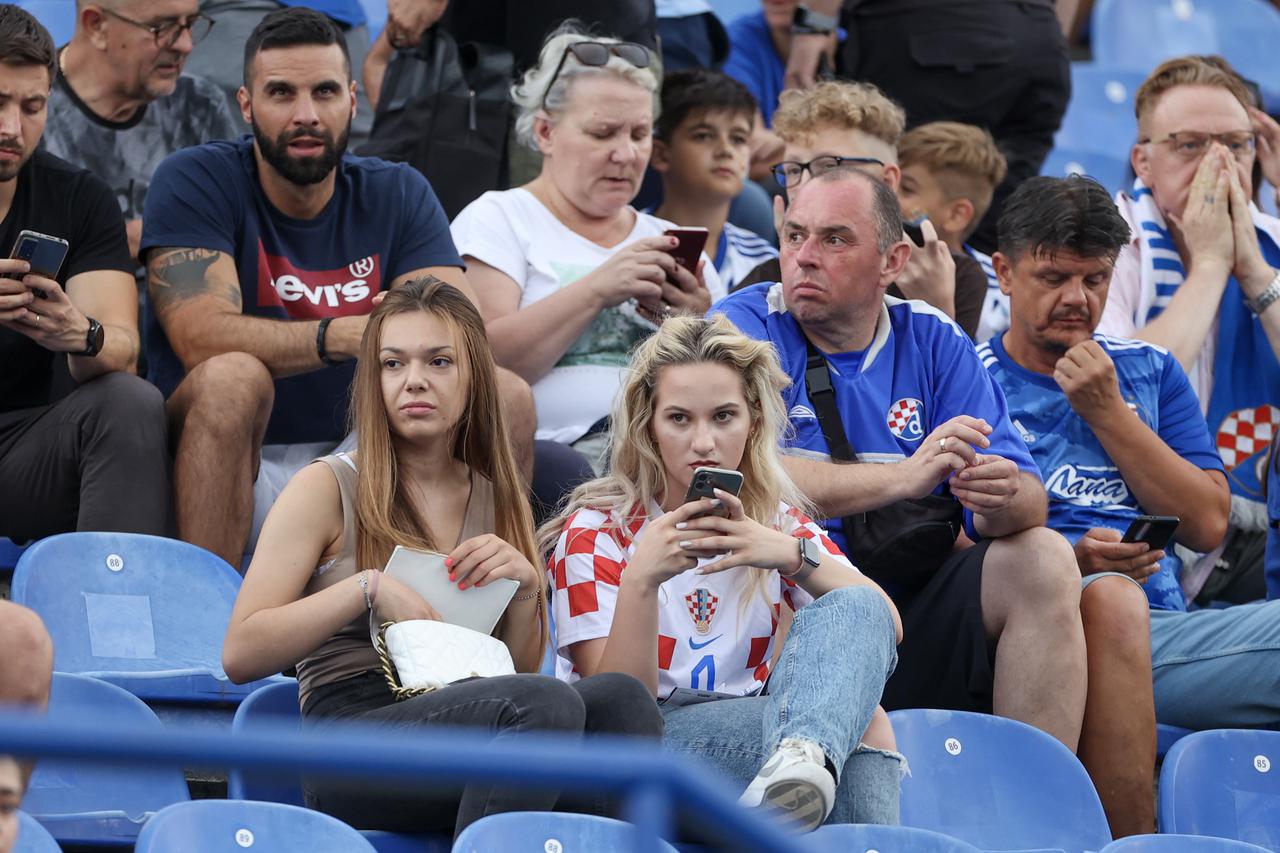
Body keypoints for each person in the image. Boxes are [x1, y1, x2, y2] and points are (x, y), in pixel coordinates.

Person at [222, 276, 662, 839]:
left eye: (438, 362)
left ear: (472, 376)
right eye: (393, 363)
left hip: (469, 710)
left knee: (622, 702)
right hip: (351, 739)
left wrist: (526, 588)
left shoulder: (495, 494)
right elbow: (241, 653)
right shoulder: (324, 486)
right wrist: (366, 589)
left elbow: (519, 675)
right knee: (539, 705)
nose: (414, 380)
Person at [715, 167, 1089, 752]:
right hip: (781, 601)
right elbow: (736, 475)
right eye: (794, 236)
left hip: (910, 607)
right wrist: (903, 478)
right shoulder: (740, 329)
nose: (805, 257)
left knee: (1043, 557)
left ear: (893, 261)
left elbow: (1028, 500)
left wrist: (998, 495)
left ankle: (1030, 791)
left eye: (834, 239)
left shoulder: (933, 338)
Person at [140, 7, 507, 568]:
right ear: (246, 105)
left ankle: (471, 608)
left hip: (365, 457)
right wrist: (343, 335)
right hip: (231, 457)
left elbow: (459, 330)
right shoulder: (195, 178)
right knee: (232, 379)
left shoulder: (398, 190)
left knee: (508, 393)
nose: (306, 115)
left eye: (325, 91)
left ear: (352, 100)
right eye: (281, 93)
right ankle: (204, 613)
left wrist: (402, 336)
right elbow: (200, 337)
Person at [983, 173, 1280, 833]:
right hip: (1040, 635)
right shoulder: (971, 375)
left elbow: (1208, 524)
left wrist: (1110, 413)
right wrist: (1070, 562)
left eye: (1095, 279)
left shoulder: (1149, 371)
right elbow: (952, 547)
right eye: (1053, 277)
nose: (1076, 298)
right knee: (1108, 597)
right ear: (1003, 272)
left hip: (1166, 632)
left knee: (1122, 602)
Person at [541, 313, 902, 832]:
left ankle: (801, 756)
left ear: (753, 422)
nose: (704, 442)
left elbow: (880, 620)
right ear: (649, 427)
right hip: (638, 749)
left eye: (723, 416)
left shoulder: (777, 525)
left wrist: (789, 555)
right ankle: (802, 760)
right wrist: (642, 580)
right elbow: (621, 713)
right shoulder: (598, 530)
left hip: (749, 733)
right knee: (862, 731)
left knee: (854, 681)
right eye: (679, 419)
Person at [451, 26, 723, 469]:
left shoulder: (672, 237)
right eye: (602, 133)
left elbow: (731, 390)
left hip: (664, 460)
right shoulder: (499, 217)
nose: (626, 154)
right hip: (542, 461)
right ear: (545, 132)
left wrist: (696, 323)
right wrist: (597, 289)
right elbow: (477, 362)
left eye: (639, 134)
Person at [1098, 55, 1280, 604]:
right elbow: (1120, 390)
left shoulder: (1271, 242)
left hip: (1258, 528)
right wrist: (1210, 267)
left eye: (1236, 145)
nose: (1217, 163)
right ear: (1143, 162)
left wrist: (1254, 273)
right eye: (1190, 145)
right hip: (1141, 525)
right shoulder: (1103, 244)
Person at [0, 5, 169, 544]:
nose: (12, 128)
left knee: (130, 401)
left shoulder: (77, 197)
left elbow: (121, 346)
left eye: (32, 107)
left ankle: (110, 594)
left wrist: (82, 334)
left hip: (22, 451)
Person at [737, 81, 988, 341]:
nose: (806, 184)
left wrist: (936, 311)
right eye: (792, 170)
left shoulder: (949, 275)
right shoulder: (769, 279)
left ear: (887, 180)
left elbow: (946, 368)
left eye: (828, 166)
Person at [43, 0, 238, 266]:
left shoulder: (200, 104)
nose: (185, 45)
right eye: (162, 27)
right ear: (96, 26)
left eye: (190, 24)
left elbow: (236, 228)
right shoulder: (24, 112)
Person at [651, 69, 777, 292]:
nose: (725, 150)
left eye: (738, 139)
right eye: (704, 136)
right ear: (661, 154)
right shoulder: (623, 244)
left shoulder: (769, 267)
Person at [895, 121, 1008, 342]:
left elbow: (951, 363)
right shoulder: (868, 248)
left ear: (956, 215)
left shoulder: (998, 301)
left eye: (906, 188)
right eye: (888, 179)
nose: (887, 192)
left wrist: (938, 307)